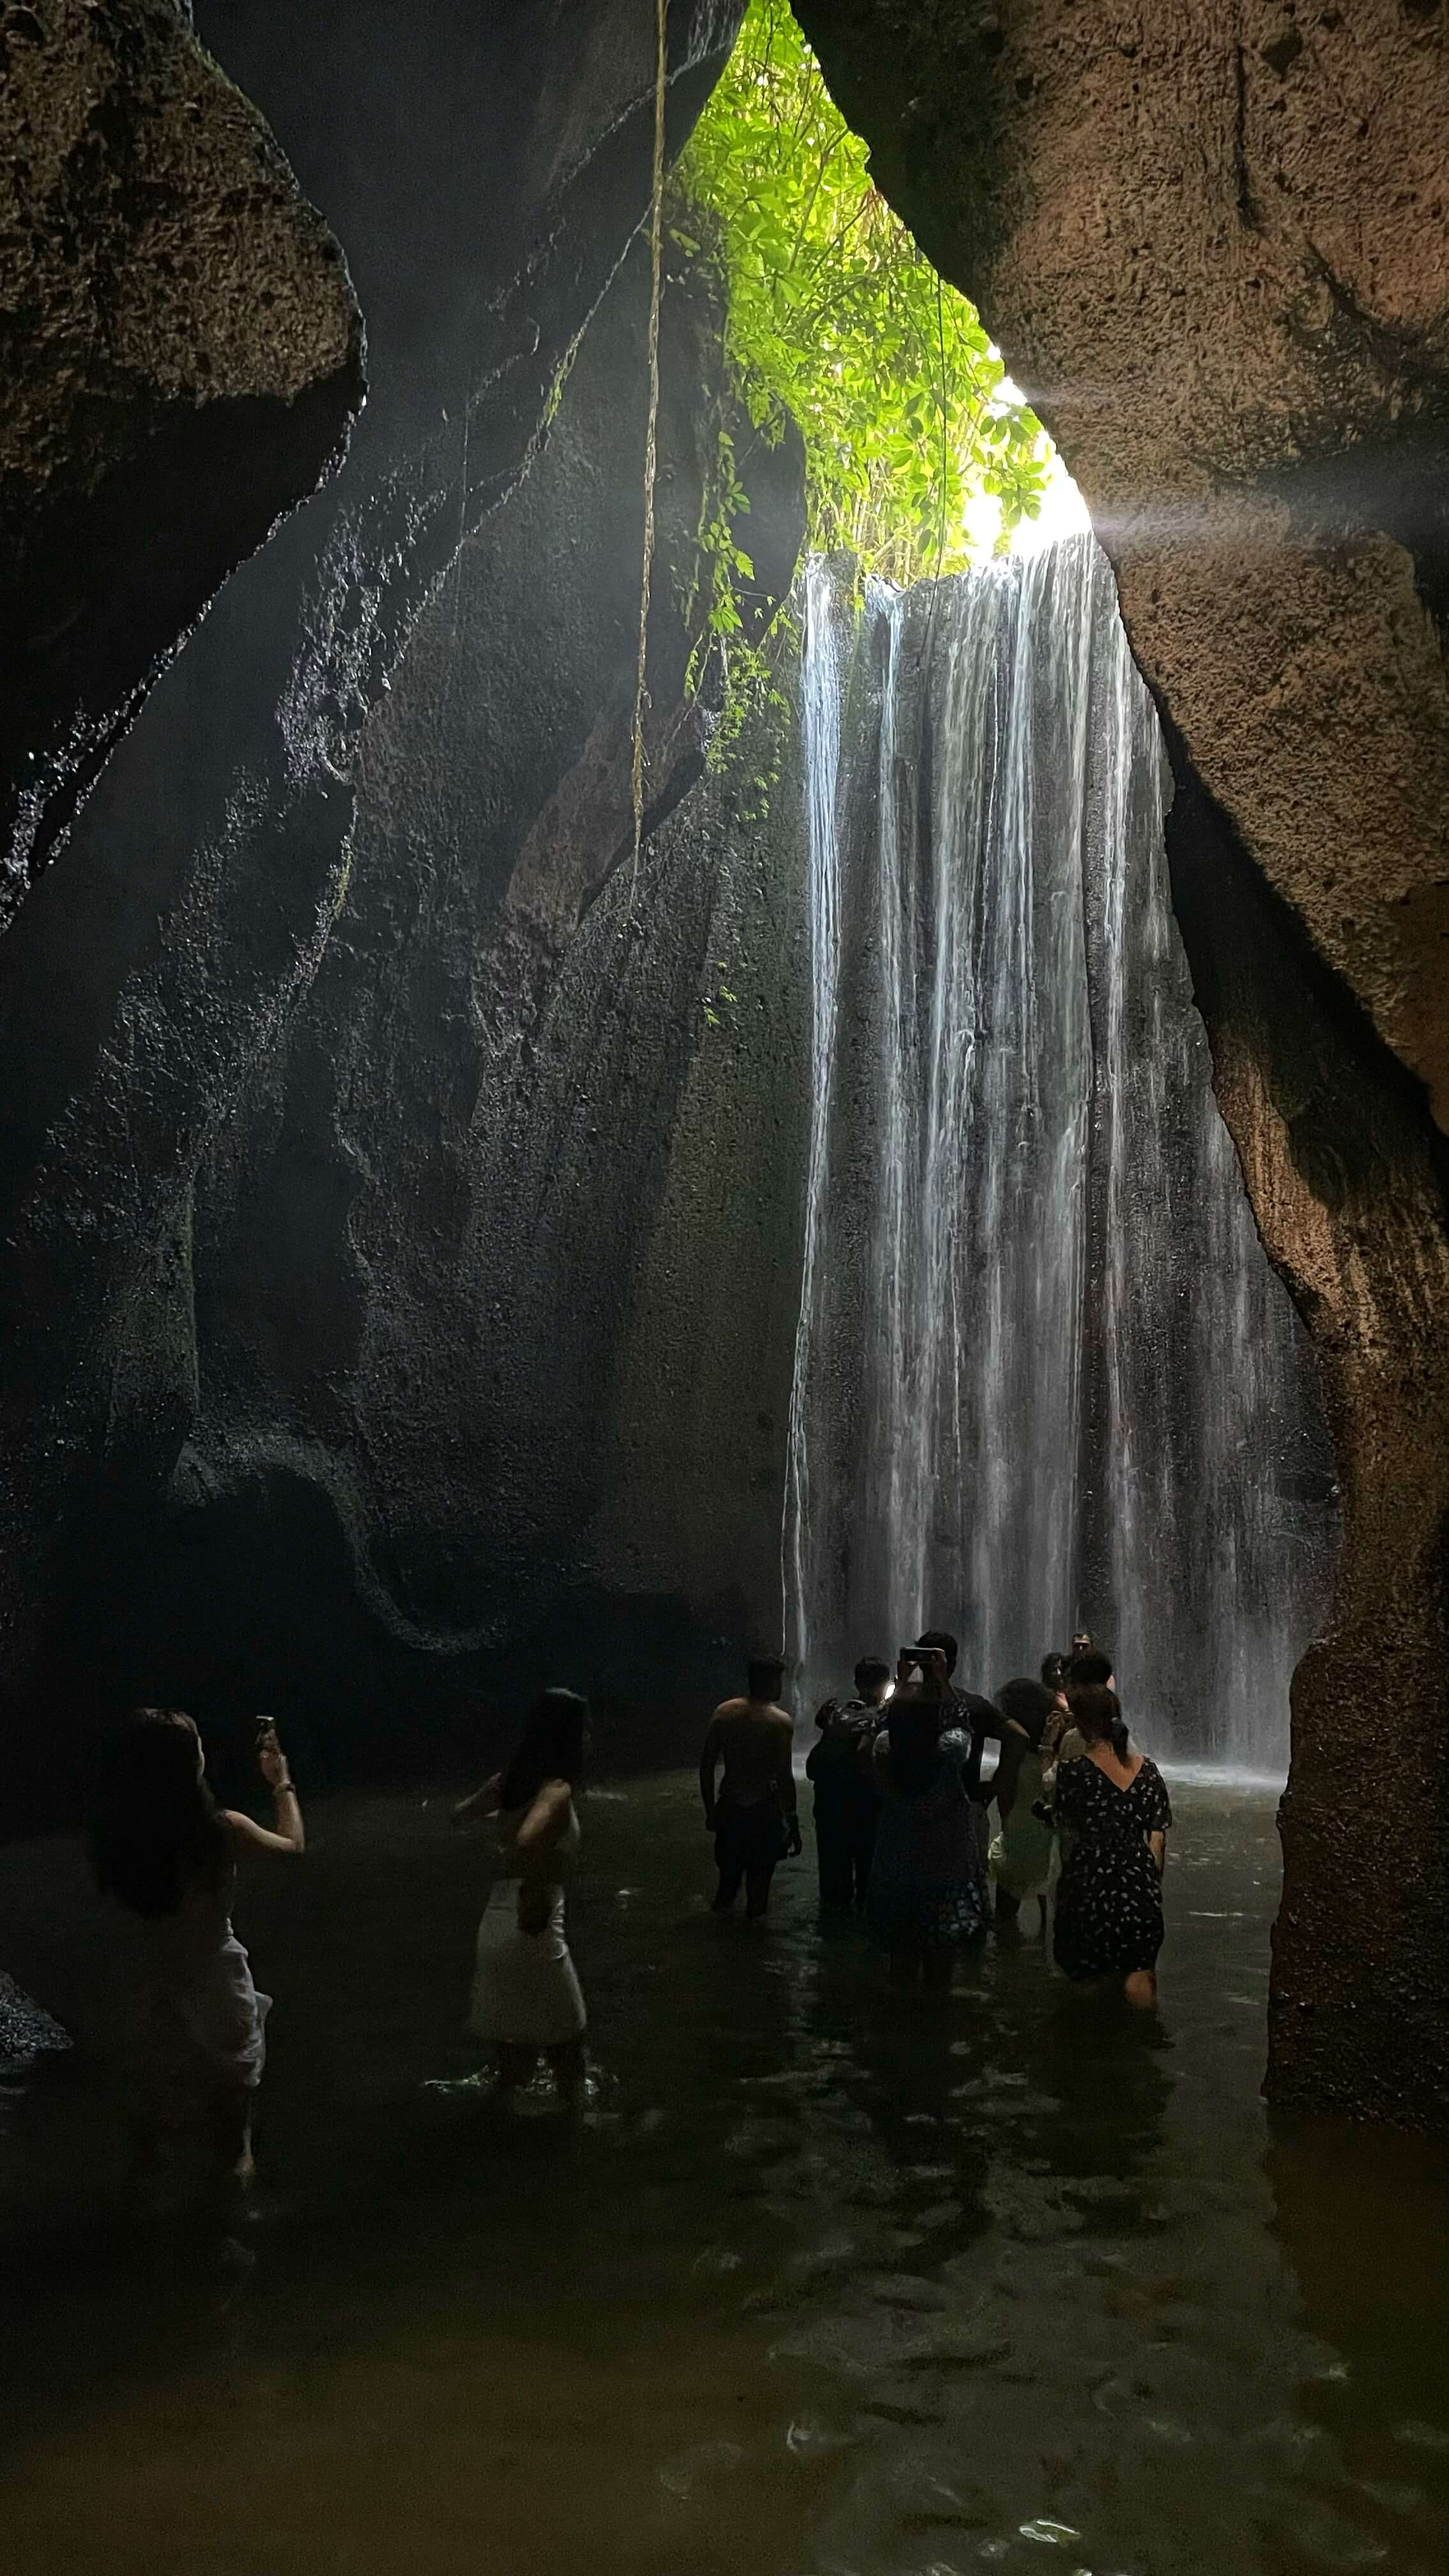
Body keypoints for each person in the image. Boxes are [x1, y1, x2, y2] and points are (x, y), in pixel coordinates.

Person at [91, 1707, 303, 2204]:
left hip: (152, 1989)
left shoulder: (116, 1838)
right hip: (216, 1984)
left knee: (151, 2135)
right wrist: (282, 1783)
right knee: (233, 2147)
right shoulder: (219, 1830)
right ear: (190, 1764)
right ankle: (230, 2253)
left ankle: (127, 2248)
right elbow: (293, 1848)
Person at [455, 1689, 590, 2105]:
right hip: (536, 1921)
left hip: (496, 1918)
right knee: (569, 2057)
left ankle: (496, 2149)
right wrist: (536, 1889)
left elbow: (460, 1814)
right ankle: (575, 2148)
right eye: (585, 1730)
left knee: (514, 2064)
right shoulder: (557, 1789)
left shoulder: (508, 1780)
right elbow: (530, 1840)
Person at [866, 1644, 988, 1986]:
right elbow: (962, 1722)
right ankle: (936, 2025)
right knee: (940, 1962)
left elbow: (881, 1724)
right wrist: (942, 1677)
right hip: (943, 1872)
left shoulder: (887, 1751)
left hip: (897, 1870)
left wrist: (901, 1683)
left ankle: (901, 2027)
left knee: (900, 1961)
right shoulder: (949, 1756)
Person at [1051, 1682, 1172, 2007]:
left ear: (1080, 1724)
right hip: (1137, 1884)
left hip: (1089, 1881)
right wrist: (1150, 1886)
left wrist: (1047, 1748)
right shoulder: (1148, 1770)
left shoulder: (1074, 1772)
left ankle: (1090, 2052)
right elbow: (1158, 1838)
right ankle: (1143, 2046)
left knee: (1086, 1981)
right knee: (1139, 1976)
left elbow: (1065, 1827)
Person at [699, 1655, 801, 1918]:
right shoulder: (779, 1722)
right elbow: (785, 1776)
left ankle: (717, 1947)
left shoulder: (724, 1713)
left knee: (726, 1886)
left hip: (730, 1806)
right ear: (770, 1682)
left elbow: (707, 1766)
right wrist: (793, 1820)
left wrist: (710, 1809)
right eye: (779, 1680)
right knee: (759, 1892)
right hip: (763, 1811)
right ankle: (754, 1950)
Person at [805, 1655, 890, 1908]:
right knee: (868, 1873)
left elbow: (819, 1723)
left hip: (830, 1802)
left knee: (833, 1877)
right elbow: (866, 1753)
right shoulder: (883, 1715)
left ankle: (831, 1927)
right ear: (884, 1684)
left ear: (856, 1681)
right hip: (866, 1805)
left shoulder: (833, 1708)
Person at [988, 1677, 1059, 1932]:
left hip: (1018, 1825)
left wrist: (1005, 1820)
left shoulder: (1015, 1748)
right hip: (1046, 1830)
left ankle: (1005, 1950)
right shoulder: (1053, 1747)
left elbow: (1004, 1792)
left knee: (1005, 1909)